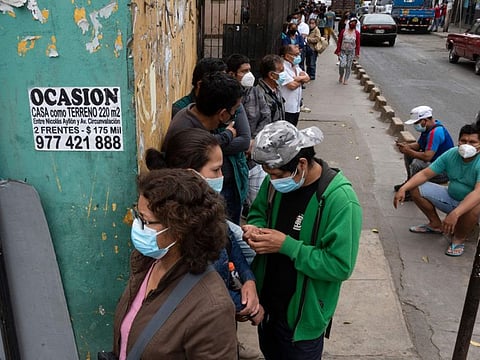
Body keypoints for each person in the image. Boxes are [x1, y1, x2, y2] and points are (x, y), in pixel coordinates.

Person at [243, 121, 362, 359]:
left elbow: (339, 265)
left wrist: (287, 246)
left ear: (302, 164)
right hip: (268, 309)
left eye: (276, 175)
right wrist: (254, 229)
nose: (272, 180)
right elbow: (258, 212)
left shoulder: (340, 201)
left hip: (301, 319)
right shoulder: (275, 182)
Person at [146, 128, 263, 359]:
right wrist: (243, 305)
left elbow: (229, 241)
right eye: (216, 169)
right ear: (192, 174)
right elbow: (196, 290)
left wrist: (247, 278)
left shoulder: (207, 207)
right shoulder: (173, 231)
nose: (222, 176)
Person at [112, 168, 237, 359]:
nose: (136, 226)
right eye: (138, 215)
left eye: (145, 221)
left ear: (179, 229)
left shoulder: (212, 308)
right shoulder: (147, 264)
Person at [164, 71, 250, 225]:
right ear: (223, 114)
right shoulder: (188, 135)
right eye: (234, 110)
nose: (235, 114)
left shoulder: (190, 114)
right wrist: (229, 135)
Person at [394, 120, 480, 257]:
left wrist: (455, 213)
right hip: (451, 197)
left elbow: (477, 193)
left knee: (476, 205)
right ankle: (435, 224)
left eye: (472, 142)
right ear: (458, 141)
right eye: (463, 141)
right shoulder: (452, 154)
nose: (467, 145)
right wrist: (404, 188)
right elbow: (425, 173)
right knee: (415, 187)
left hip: (469, 207)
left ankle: (459, 238)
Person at [394, 105, 454, 198]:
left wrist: (409, 151)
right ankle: (409, 183)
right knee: (409, 154)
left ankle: (412, 190)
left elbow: (427, 156)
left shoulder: (435, 133)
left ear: (424, 121)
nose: (415, 126)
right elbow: (419, 145)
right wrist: (407, 147)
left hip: (443, 171)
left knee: (417, 163)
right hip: (435, 163)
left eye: (416, 123)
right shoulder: (428, 129)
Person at [279, 44, 310, 127]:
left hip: (296, 107)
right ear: (287, 56)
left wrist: (297, 78)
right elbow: (292, 85)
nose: (298, 57)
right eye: (296, 55)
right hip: (287, 107)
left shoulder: (296, 66)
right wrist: (301, 80)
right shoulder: (282, 68)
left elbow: (307, 78)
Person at [334, 17, 360, 85]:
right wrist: (338, 50)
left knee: (348, 66)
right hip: (343, 51)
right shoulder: (343, 31)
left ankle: (346, 79)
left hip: (351, 51)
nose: (352, 24)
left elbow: (358, 43)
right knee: (342, 65)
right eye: (351, 23)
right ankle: (341, 75)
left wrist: (357, 53)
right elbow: (339, 41)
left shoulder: (356, 33)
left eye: (354, 23)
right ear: (349, 23)